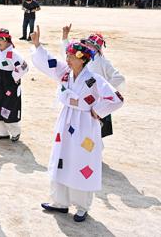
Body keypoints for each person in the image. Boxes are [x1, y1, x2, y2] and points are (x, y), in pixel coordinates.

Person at [30, 26, 123, 222]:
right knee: (62, 157)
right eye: (68, 56)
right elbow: (50, 63)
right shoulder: (65, 73)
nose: (67, 59)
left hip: (85, 125)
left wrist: (97, 111)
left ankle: (82, 206)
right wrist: (37, 45)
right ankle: (60, 202)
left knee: (82, 161)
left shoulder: (94, 80)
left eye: (71, 57)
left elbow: (116, 98)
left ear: (82, 59)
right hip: (66, 121)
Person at [61, 26, 125, 138]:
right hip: (81, 98)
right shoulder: (82, 57)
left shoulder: (103, 62)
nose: (88, 46)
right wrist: (65, 37)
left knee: (94, 133)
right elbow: (70, 53)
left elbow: (119, 77)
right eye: (87, 44)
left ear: (98, 48)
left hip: (96, 102)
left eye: (92, 45)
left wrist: (104, 87)